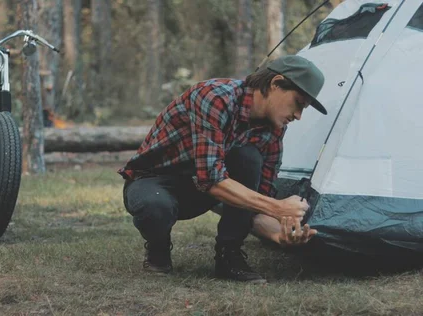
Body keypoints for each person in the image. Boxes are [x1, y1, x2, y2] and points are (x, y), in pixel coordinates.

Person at [118, 55, 326, 283]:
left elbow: (258, 200)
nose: (298, 116)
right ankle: (158, 248)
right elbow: (211, 178)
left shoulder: (274, 127)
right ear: (275, 84)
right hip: (154, 181)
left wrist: (278, 235)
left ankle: (229, 256)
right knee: (155, 206)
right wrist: (278, 208)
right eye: (298, 103)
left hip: (202, 189)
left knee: (248, 157)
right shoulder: (215, 97)